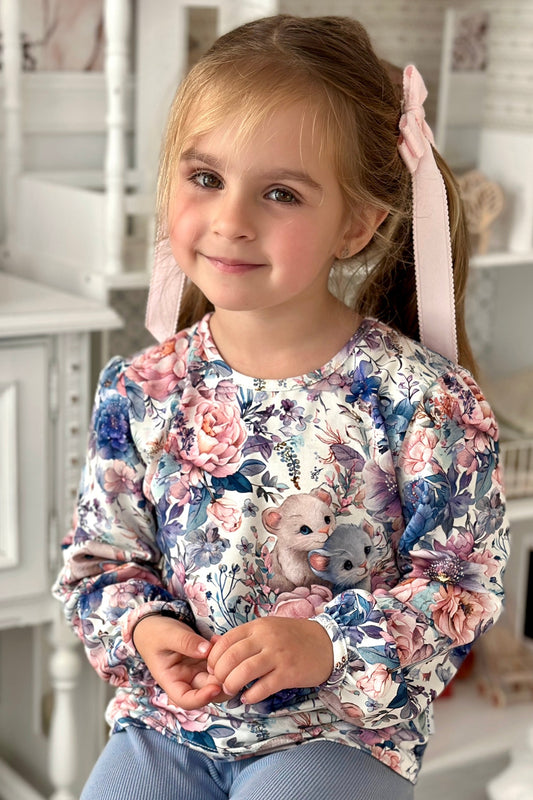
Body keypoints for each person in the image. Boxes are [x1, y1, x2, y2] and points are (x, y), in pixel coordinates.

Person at [53, 14, 509, 800]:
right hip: (170, 724)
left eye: (279, 193)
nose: (231, 219)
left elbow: (460, 586)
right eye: (205, 178)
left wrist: (325, 644)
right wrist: (146, 628)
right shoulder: (141, 389)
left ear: (357, 224)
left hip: (341, 730)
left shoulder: (423, 400)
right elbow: (101, 565)